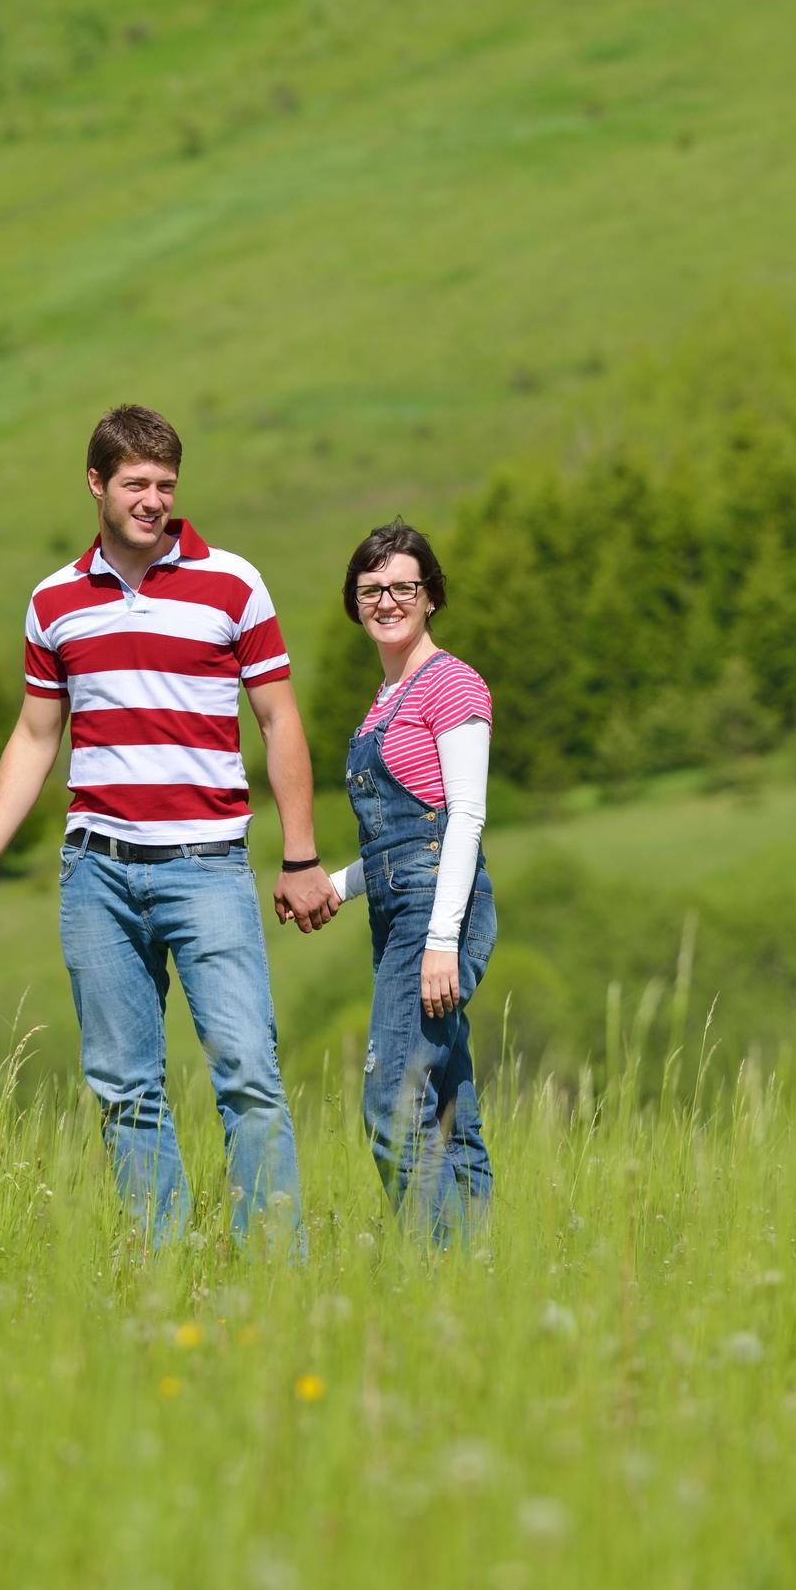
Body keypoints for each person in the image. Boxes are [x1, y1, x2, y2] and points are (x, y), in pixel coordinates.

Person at [0, 404, 338, 1249]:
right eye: (135, 484)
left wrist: (300, 855)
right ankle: (159, 1273)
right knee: (124, 1086)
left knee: (247, 1075)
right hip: (97, 873)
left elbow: (280, 722)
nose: (153, 500)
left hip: (208, 867)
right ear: (96, 484)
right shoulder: (54, 600)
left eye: (165, 484)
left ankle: (277, 1268)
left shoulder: (233, 583)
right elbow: (34, 736)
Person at [326, 520, 496, 1240]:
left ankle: (442, 1275)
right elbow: (403, 839)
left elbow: (463, 819)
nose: (387, 601)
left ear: (430, 596)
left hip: (437, 915)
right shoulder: (384, 697)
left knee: (391, 1103)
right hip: (400, 909)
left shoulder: (450, 682)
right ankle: (483, 1276)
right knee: (448, 1109)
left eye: (403, 586)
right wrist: (337, 885)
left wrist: (440, 942)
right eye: (372, 589)